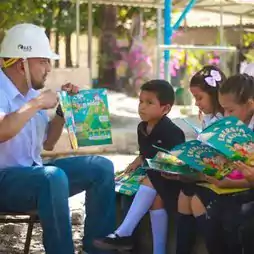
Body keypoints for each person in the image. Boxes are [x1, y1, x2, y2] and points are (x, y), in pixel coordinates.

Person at [0, 23, 115, 254]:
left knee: (101, 167)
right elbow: (3, 130)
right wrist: (37, 104)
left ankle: (98, 249)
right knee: (52, 177)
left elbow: (48, 144)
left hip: (36, 178)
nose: (49, 68)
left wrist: (63, 111)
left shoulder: (32, 94)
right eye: (43, 61)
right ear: (21, 63)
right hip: (5, 183)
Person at [93, 80, 185, 254]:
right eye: (141, 101)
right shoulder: (141, 128)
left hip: (171, 180)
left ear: (165, 109)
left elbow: (177, 161)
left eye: (149, 103)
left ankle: (124, 232)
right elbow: (146, 152)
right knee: (154, 200)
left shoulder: (173, 132)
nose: (142, 107)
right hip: (155, 180)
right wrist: (139, 159)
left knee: (151, 180)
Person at [190, 74, 254, 254]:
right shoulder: (235, 128)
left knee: (236, 221)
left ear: (250, 105)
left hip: (243, 191)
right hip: (233, 187)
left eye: (230, 110)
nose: (226, 116)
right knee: (213, 219)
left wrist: (233, 183)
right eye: (224, 110)